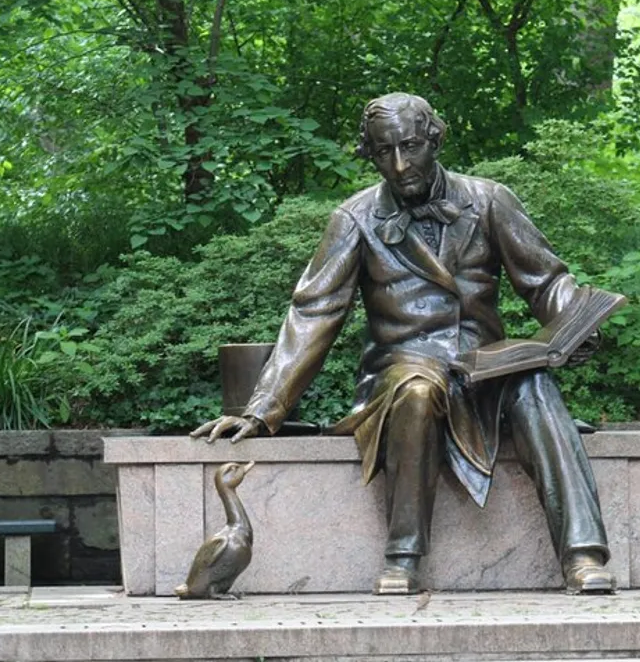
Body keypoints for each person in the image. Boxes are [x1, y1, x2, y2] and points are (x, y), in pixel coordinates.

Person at [192, 93, 616, 595]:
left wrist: (576, 321)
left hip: (484, 368)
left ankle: (583, 555)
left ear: (434, 140)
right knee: (416, 390)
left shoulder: (488, 200)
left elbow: (546, 282)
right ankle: (403, 555)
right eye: (383, 152)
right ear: (370, 154)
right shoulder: (354, 219)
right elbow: (314, 311)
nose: (399, 164)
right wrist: (264, 408)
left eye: (410, 147)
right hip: (403, 367)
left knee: (536, 385)